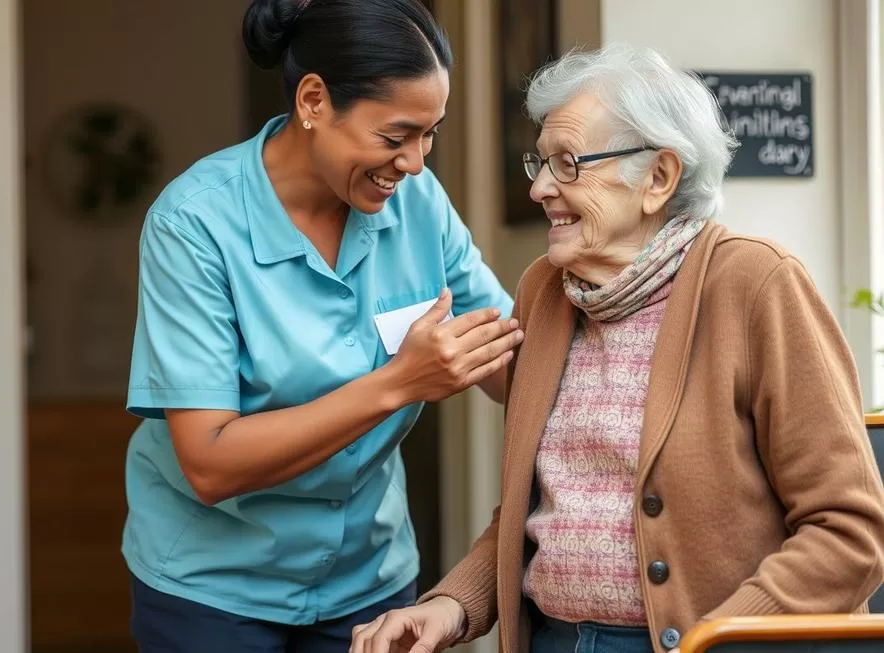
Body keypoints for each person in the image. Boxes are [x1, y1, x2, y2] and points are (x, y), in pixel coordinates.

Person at [350, 43, 884, 653]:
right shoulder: (545, 292)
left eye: (569, 164)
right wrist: (454, 603)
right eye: (541, 163)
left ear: (658, 177)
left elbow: (849, 530)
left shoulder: (757, 284)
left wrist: (719, 641)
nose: (541, 189)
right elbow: (538, 509)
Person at [120, 1, 522, 651]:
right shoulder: (195, 225)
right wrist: (399, 381)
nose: (416, 162)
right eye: (394, 137)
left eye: (430, 134)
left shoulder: (419, 203)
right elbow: (210, 461)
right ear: (313, 100)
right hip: (213, 589)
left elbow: (506, 354)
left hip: (370, 581)